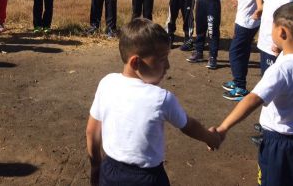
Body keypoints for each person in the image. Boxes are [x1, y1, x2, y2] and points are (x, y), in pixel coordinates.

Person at [85, 18, 220, 186]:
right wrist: (210, 138)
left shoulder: (107, 83)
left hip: (109, 173)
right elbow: (189, 125)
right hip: (147, 178)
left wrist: (96, 166)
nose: (168, 66)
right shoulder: (161, 98)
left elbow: (92, 131)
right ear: (136, 62)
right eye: (162, 59)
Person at [212, 2, 293, 186]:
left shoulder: (280, 70)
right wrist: (282, 51)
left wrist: (223, 128)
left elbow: (253, 99)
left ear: (282, 32)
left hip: (279, 145)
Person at [222, 0, 264, 101]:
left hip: (247, 24)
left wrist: (260, 8)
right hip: (244, 21)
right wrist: (240, 3)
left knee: (235, 53)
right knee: (242, 52)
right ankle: (238, 81)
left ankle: (240, 87)